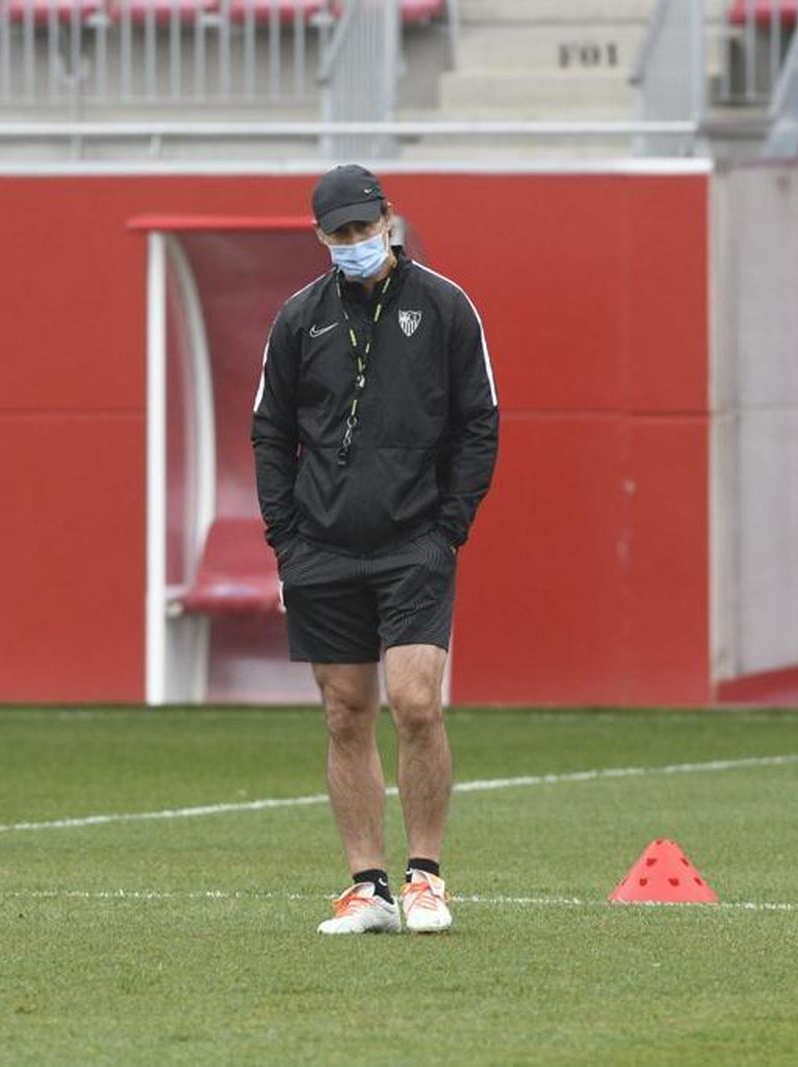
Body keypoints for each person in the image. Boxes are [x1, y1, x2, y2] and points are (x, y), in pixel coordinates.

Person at [251, 164, 500, 935]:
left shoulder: (448, 306)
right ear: (322, 237)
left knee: (417, 702)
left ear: (388, 218)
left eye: (367, 227)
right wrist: (285, 539)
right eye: (343, 233)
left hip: (415, 543)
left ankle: (425, 877)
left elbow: (479, 422)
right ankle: (369, 887)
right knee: (344, 712)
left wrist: (448, 525)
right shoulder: (298, 319)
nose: (358, 242)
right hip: (321, 548)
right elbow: (271, 430)